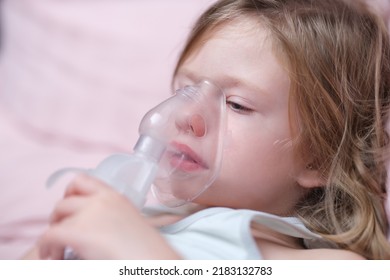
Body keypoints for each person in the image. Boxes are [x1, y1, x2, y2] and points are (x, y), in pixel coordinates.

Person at [25, 0, 390, 260]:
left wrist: (139, 254)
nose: (185, 116)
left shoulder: (323, 267)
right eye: (185, 90)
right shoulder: (138, 220)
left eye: (236, 104)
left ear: (319, 159)